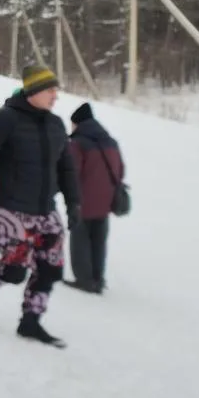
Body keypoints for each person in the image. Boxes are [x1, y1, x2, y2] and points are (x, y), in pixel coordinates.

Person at [0, 65, 80, 349]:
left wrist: (74, 204)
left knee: (50, 268)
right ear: (32, 91)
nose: (55, 96)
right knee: (14, 268)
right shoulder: (3, 119)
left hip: (46, 209)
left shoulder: (55, 124)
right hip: (11, 208)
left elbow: (66, 168)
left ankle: (30, 321)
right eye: (50, 90)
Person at [66, 102, 125, 294]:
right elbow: (120, 170)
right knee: (99, 241)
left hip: (84, 201)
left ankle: (84, 279)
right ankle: (98, 278)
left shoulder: (78, 143)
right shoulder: (110, 141)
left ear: (78, 123)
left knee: (80, 240)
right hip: (106, 202)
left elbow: (72, 172)